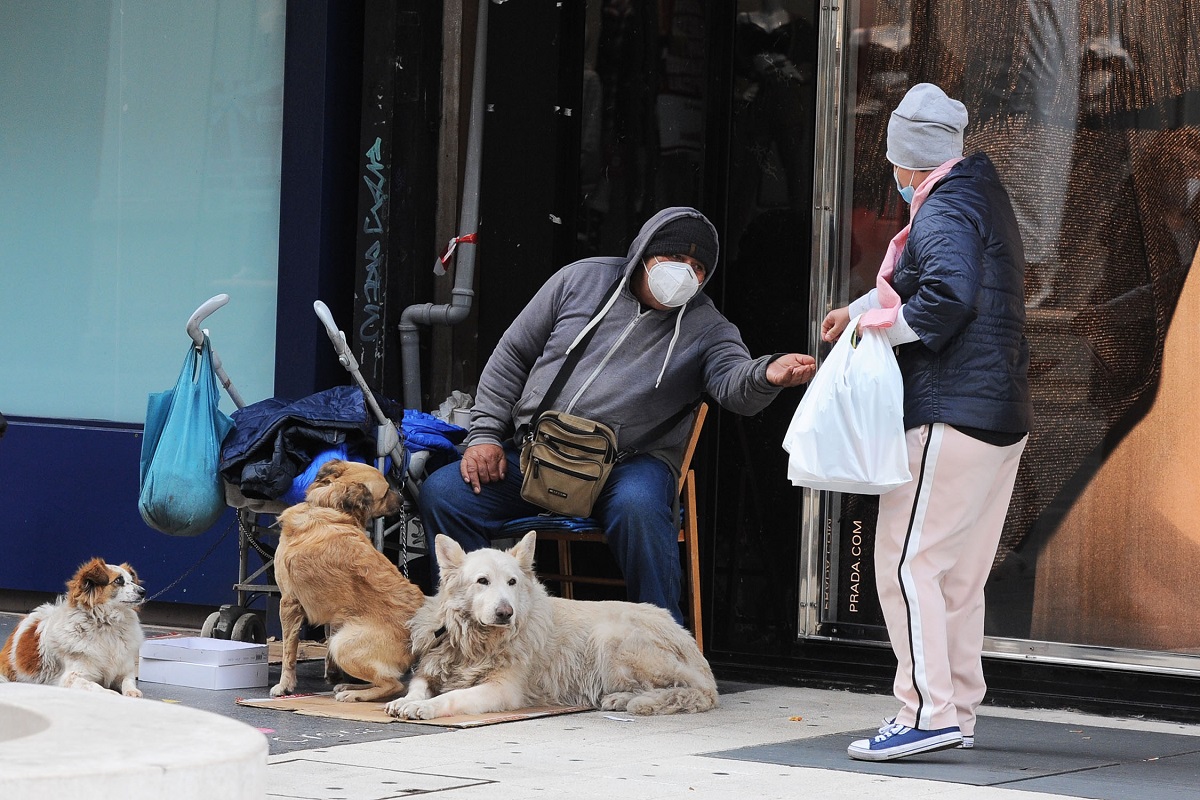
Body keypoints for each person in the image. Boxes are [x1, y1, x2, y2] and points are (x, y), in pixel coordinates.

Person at [419, 206, 816, 625]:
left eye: (698, 267)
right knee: (445, 493)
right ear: (644, 253)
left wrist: (766, 373)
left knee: (640, 508)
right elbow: (513, 356)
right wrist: (484, 436)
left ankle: (665, 649)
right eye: (674, 259)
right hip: (538, 452)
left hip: (626, 468)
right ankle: (467, 635)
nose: (685, 273)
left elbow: (734, 384)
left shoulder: (708, 326)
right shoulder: (580, 280)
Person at [821, 84, 1032, 762]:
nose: (895, 175)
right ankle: (958, 709)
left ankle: (923, 713)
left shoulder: (940, 209)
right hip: (998, 415)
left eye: (895, 161)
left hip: (951, 411)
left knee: (907, 563)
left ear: (910, 162)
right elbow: (947, 280)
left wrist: (874, 333)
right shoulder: (980, 195)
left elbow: (942, 297)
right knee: (957, 577)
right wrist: (860, 311)